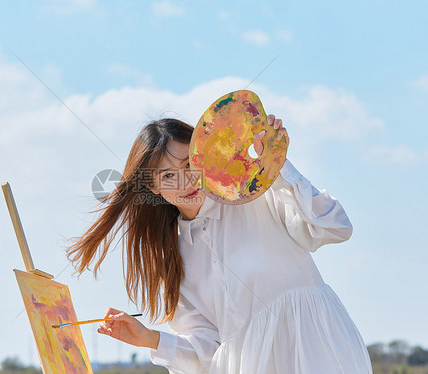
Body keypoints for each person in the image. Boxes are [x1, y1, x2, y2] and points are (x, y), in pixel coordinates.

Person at [66, 116, 373, 373]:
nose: (185, 182)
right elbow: (209, 351)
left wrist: (276, 167)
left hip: (320, 355)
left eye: (189, 165)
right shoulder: (173, 258)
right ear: (153, 186)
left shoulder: (253, 194)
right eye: (168, 175)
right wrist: (150, 339)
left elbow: (334, 227)